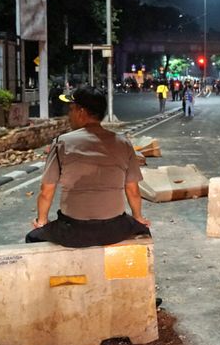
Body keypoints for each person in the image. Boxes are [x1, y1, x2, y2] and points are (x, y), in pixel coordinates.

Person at [26, 85, 151, 248]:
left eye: (71, 109)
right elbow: (133, 190)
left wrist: (42, 221)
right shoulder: (124, 143)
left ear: (81, 112)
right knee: (142, 231)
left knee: (33, 237)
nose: (69, 115)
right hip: (114, 229)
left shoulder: (61, 143)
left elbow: (46, 192)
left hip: (73, 230)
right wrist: (138, 218)